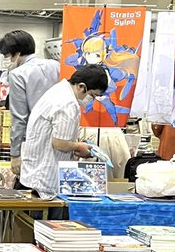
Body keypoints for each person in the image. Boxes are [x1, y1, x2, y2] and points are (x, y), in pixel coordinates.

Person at [18, 64, 110, 201]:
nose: (92, 100)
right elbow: (59, 143)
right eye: (93, 95)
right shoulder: (68, 103)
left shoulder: (58, 91)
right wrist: (79, 147)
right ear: (81, 87)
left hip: (34, 173)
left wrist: (76, 145)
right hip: (45, 179)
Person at [0, 30, 59, 167]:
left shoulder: (18, 74)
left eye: (8, 57)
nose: (9, 61)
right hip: (60, 136)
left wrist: (15, 154)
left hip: (33, 140)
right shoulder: (56, 66)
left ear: (17, 53)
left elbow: (19, 118)